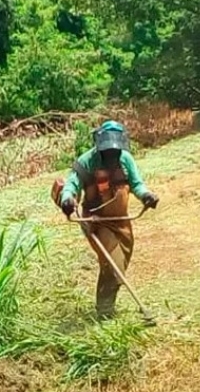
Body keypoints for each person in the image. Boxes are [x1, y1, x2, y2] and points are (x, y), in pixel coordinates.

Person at [59, 120, 159, 318]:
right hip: (96, 221)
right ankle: (104, 310)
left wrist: (146, 195)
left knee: (120, 262)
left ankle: (107, 306)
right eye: (108, 152)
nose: (112, 155)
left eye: (115, 151)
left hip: (121, 221)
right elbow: (72, 184)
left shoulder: (126, 159)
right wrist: (68, 199)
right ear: (99, 145)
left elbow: (137, 184)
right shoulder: (87, 161)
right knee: (112, 263)